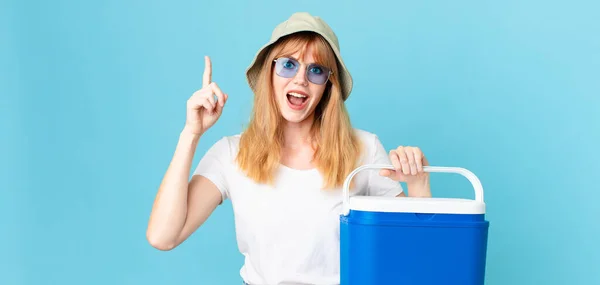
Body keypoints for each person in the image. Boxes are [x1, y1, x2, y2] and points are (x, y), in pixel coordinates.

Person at [146, 12, 432, 285]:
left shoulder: (363, 149)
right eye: (288, 64)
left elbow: (413, 254)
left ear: (328, 87)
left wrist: (418, 185)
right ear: (269, 72)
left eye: (316, 70)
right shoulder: (230, 154)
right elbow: (163, 236)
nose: (300, 79)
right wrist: (191, 133)